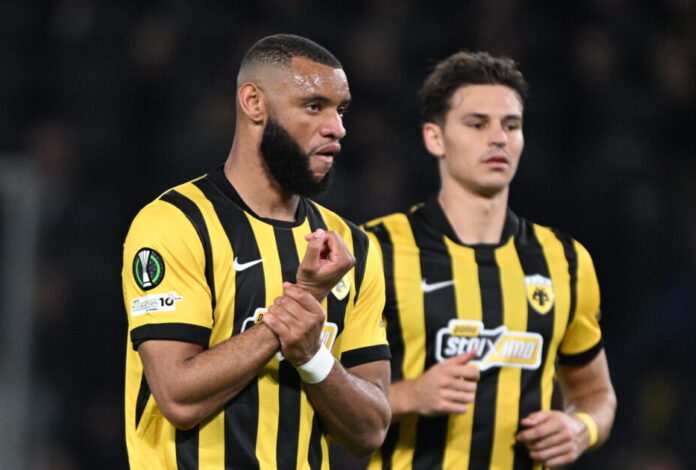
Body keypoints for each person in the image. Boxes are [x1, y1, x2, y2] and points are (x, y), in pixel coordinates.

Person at [121, 34, 391, 469]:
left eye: (340, 110)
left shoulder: (350, 245)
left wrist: (313, 357)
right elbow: (177, 397)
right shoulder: (176, 223)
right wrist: (297, 308)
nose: (337, 128)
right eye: (314, 106)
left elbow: (370, 431)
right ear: (254, 103)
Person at [363, 51, 617, 469]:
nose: (498, 138)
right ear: (435, 138)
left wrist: (580, 428)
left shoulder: (566, 260)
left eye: (511, 125)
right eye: (477, 124)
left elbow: (595, 394)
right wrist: (408, 396)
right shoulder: (376, 249)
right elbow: (320, 388)